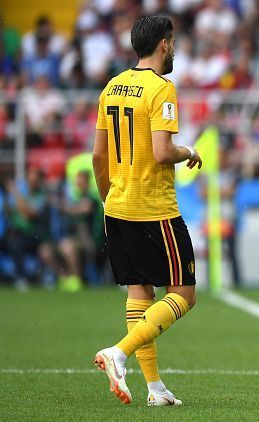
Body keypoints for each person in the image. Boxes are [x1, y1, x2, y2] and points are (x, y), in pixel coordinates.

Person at [92, 16, 202, 407]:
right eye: (172, 43)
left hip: (117, 207)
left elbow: (98, 155)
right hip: (154, 209)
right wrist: (190, 151)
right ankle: (118, 354)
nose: (173, 49)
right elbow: (162, 152)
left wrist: (109, 196)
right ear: (164, 44)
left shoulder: (112, 86)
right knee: (184, 294)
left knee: (140, 291)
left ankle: (154, 388)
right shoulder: (161, 88)